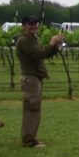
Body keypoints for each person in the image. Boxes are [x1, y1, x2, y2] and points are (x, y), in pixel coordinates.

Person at [15, 16, 63, 148]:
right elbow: (38, 54)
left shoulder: (33, 39)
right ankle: (29, 140)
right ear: (23, 25)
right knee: (32, 109)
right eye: (30, 24)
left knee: (33, 109)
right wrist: (52, 43)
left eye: (36, 23)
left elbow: (45, 53)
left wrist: (55, 45)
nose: (34, 26)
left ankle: (30, 137)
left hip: (35, 78)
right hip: (30, 79)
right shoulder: (24, 41)